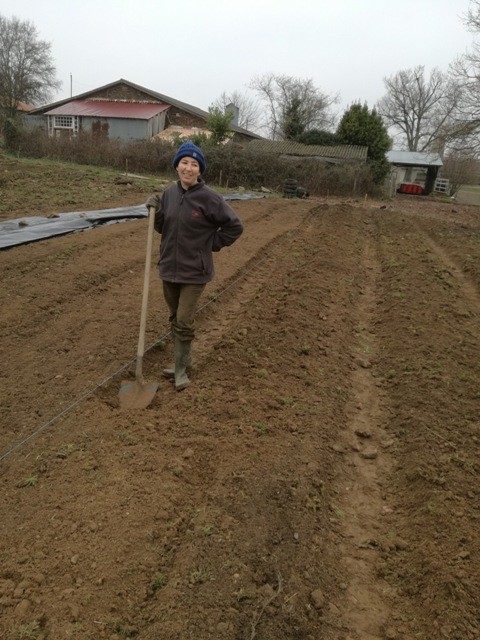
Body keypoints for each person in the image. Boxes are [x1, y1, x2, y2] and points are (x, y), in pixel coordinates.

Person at [146, 141, 244, 391]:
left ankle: (181, 369)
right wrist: (155, 212)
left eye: (194, 164)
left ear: (200, 170)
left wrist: (211, 243)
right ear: (176, 166)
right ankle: (182, 361)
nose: (188, 168)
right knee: (174, 317)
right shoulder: (169, 193)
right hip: (169, 267)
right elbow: (162, 228)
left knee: (184, 319)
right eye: (184, 163)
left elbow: (235, 227)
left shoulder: (210, 198)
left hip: (194, 271)